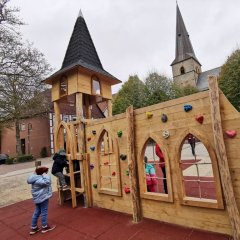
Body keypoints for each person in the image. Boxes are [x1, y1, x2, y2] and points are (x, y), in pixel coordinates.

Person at [27, 166, 56, 235]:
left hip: (37, 198)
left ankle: (34, 227)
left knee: (37, 212)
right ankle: (45, 227)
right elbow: (48, 182)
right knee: (44, 212)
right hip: (43, 198)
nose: (47, 173)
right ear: (43, 173)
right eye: (46, 172)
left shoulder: (34, 178)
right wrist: (45, 175)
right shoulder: (41, 179)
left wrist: (39, 173)